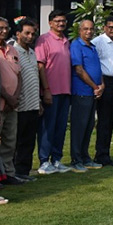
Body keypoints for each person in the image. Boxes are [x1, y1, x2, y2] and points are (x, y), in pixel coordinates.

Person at [35, 10, 72, 174]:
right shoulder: (44, 40)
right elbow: (40, 65)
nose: (61, 24)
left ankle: (56, 159)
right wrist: (46, 89)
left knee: (61, 126)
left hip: (65, 90)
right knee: (47, 127)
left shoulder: (66, 41)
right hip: (51, 91)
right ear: (50, 23)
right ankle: (44, 161)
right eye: (57, 21)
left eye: (63, 21)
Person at [0, 17, 24, 181]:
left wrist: (15, 97)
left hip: (13, 104)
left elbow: (19, 74)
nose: (4, 31)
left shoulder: (12, 49)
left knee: (10, 140)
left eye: (6, 28)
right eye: (0, 28)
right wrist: (8, 98)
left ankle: (8, 173)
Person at [69, 18, 104, 171]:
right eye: (85, 29)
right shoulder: (77, 45)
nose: (89, 32)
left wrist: (101, 85)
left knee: (89, 126)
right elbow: (79, 69)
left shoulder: (93, 47)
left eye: (91, 29)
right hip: (82, 92)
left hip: (93, 93)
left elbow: (97, 68)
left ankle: (85, 157)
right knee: (79, 127)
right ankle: (76, 159)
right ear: (80, 30)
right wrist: (95, 86)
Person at [12, 19, 45, 180]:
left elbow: (34, 78)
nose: (30, 36)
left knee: (29, 142)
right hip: (19, 106)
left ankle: (24, 172)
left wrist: (38, 102)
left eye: (33, 33)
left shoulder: (32, 53)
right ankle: (13, 173)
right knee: (17, 142)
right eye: (27, 33)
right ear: (18, 34)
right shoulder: (13, 52)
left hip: (32, 104)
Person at [92, 17, 113, 167]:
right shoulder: (98, 42)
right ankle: (101, 155)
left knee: (109, 120)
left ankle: (105, 153)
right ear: (104, 28)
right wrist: (101, 83)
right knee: (103, 120)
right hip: (104, 82)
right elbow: (95, 64)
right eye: (110, 27)